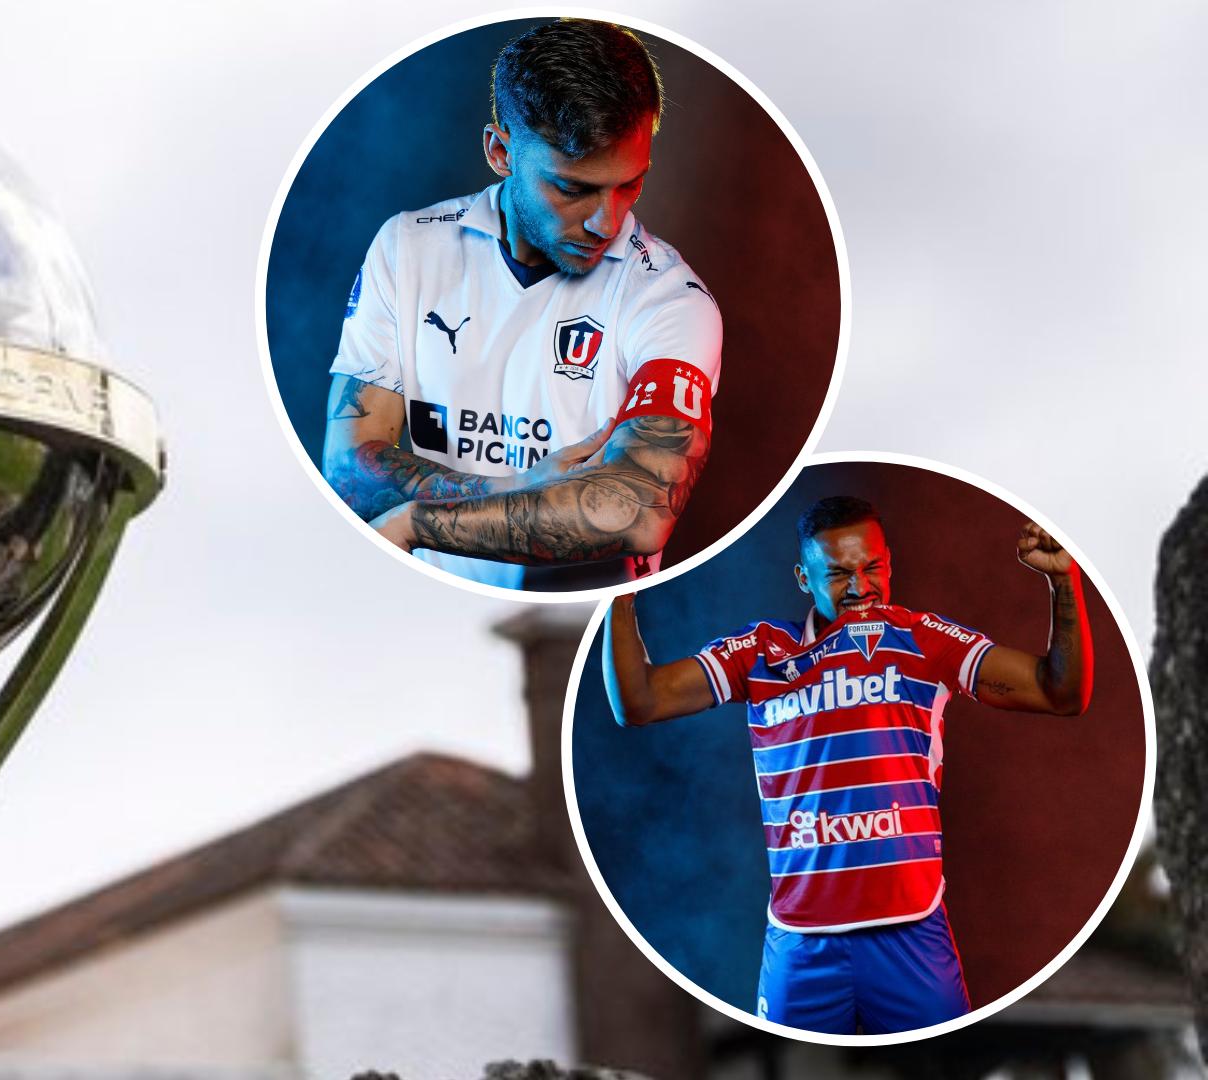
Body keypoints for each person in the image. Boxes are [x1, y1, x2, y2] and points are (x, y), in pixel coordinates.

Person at [602, 495, 1093, 1034]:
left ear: (889, 564)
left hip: (911, 932)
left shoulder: (923, 639)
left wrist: (1063, 583)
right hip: (800, 939)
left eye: (872, 569)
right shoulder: (764, 651)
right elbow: (640, 702)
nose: (860, 588)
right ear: (803, 578)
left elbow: (1060, 693)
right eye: (837, 574)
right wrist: (621, 582)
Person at [323, 18, 722, 591]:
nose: (604, 222)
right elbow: (348, 465)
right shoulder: (409, 248)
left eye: (629, 185)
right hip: (433, 614)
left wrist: (416, 521)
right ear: (500, 151)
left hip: (570, 629)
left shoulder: (669, 299)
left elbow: (637, 510)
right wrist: (516, 487)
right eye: (573, 188)